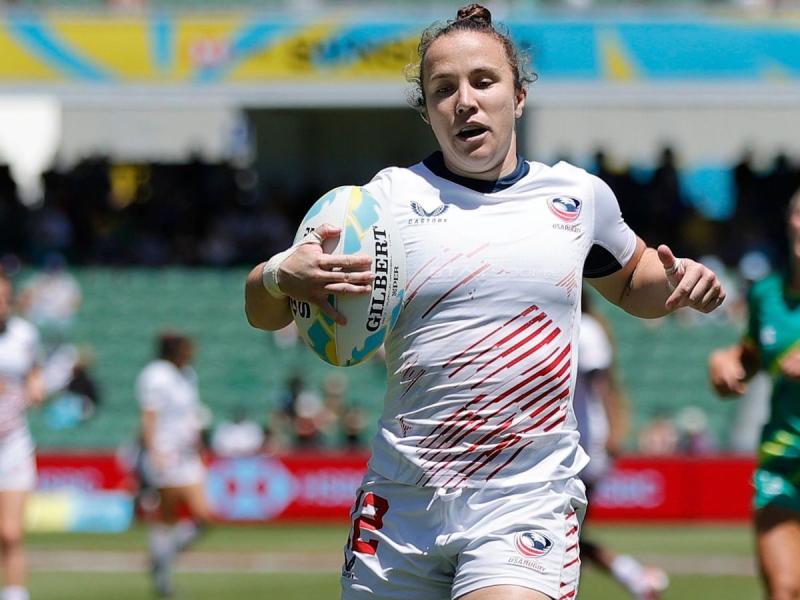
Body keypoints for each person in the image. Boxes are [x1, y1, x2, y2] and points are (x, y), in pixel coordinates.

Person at [245, 5, 726, 599]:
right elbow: (265, 308)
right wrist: (275, 277)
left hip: (526, 501)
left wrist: (681, 285)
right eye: (443, 89)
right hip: (403, 505)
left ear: (519, 96)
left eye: (483, 81)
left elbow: (634, 285)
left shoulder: (578, 196)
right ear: (427, 111)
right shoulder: (383, 203)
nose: (464, 101)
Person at [709, 187, 800, 600]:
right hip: (782, 461)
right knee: (784, 591)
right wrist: (728, 363)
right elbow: (751, 356)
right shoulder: (766, 294)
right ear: (789, 221)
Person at [574, 292, 668, 600]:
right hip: (575, 444)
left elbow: (603, 387)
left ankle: (635, 578)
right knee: (568, 534)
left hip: (583, 445)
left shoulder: (585, 328)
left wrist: (615, 430)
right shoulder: (576, 326)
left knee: (566, 533)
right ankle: (636, 578)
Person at [136, 331, 212, 597]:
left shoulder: (188, 374)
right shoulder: (155, 375)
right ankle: (163, 577)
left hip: (187, 454)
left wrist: (199, 444)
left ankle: (161, 558)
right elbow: (149, 415)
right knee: (166, 517)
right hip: (165, 453)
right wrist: (153, 450)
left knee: (203, 516)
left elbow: (190, 415)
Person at [0, 272, 45, 600]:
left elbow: (34, 376)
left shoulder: (24, 334)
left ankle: (16, 594)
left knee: (11, 532)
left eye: (4, 297)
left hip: (13, 444)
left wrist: (34, 389)